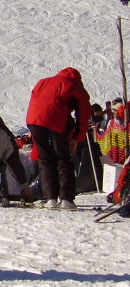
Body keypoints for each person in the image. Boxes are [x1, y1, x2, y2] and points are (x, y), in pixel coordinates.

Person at [26, 67, 92, 209]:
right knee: (63, 158)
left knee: (44, 158)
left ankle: (50, 199)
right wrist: (77, 137)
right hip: (56, 120)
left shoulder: (43, 82)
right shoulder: (74, 84)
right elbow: (84, 112)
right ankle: (66, 199)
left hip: (33, 120)